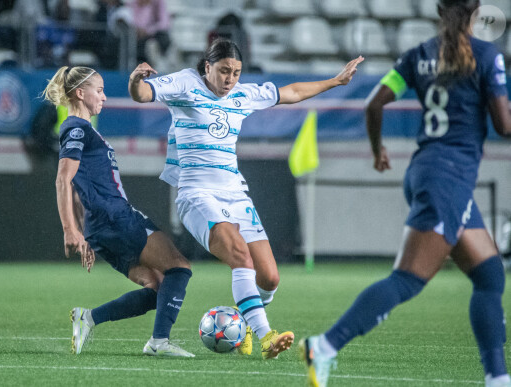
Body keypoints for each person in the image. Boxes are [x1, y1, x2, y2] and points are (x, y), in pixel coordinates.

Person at [300, 0, 511, 386]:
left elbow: (374, 102)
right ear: (477, 11)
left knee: (490, 275)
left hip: (429, 172)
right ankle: (325, 346)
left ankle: (497, 377)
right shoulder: (485, 55)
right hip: (450, 178)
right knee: (408, 279)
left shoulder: (418, 55)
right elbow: (504, 123)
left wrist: (377, 148)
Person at [129, 38, 363, 359]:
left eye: (236, 72)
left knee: (269, 276)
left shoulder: (242, 94)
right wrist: (135, 80)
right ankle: (267, 336)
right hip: (197, 193)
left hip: (236, 193)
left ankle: (245, 325)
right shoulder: (185, 83)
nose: (230, 79)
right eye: (224, 71)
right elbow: (143, 94)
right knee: (242, 258)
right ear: (207, 66)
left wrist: (336, 81)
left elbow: (291, 93)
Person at [44, 65, 195, 357]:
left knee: (157, 288)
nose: (104, 97)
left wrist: (83, 230)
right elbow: (63, 178)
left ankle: (88, 318)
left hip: (99, 226)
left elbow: (77, 187)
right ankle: (159, 342)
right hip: (116, 217)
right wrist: (70, 229)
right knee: (179, 267)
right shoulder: (77, 128)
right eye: (98, 91)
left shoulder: (83, 130)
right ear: (79, 93)